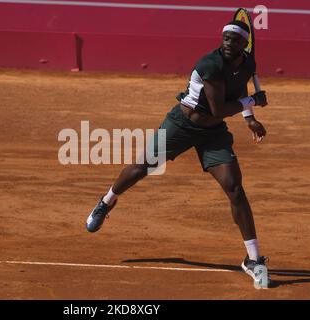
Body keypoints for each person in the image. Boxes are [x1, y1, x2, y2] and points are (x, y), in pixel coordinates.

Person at [86, 20, 271, 289]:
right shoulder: (210, 64)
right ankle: (106, 202)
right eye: (225, 38)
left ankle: (253, 259)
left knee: (234, 188)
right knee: (142, 167)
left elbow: (239, 88)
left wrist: (249, 118)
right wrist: (252, 101)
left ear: (245, 44)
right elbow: (219, 108)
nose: (228, 43)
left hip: (213, 133)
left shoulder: (247, 64)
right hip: (181, 125)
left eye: (234, 40)